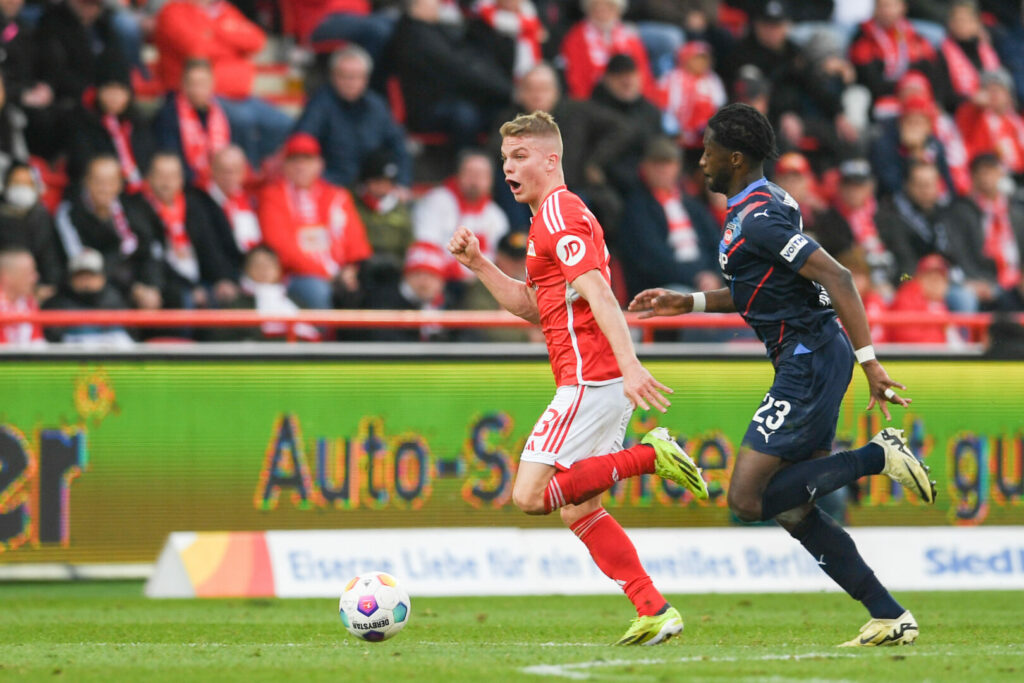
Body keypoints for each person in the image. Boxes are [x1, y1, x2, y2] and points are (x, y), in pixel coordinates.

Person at [628, 103, 935, 647]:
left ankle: (877, 456)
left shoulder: (759, 217)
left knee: (747, 499)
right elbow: (761, 289)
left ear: (735, 158)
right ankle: (889, 614)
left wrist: (870, 361)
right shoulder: (765, 203)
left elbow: (838, 277)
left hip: (808, 358)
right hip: (810, 354)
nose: (701, 161)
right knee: (792, 507)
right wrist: (689, 301)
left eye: (708, 151)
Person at [448, 110, 709, 646]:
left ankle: (649, 456)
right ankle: (653, 608)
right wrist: (478, 264)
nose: (508, 168)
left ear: (551, 160)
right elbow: (534, 306)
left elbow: (600, 292)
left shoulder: (559, 214)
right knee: (579, 508)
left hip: (590, 377)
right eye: (504, 158)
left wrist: (630, 365)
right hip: (597, 377)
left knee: (529, 495)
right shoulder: (546, 217)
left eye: (520, 156)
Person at [152, 0, 292, 165]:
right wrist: (232, 40)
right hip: (199, 94)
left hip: (241, 96)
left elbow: (257, 41)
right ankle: (246, 172)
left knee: (283, 123)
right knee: (242, 120)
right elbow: (197, 48)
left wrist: (213, 32)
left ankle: (260, 169)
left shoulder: (224, 10)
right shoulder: (173, 11)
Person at [259, 132, 372, 309]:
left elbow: (356, 241)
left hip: (341, 273)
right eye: (294, 160)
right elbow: (280, 247)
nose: (300, 166)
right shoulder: (273, 196)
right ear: (285, 165)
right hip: (296, 276)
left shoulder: (337, 196)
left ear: (319, 164)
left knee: (370, 287)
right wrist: (329, 275)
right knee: (318, 291)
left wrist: (351, 269)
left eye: (307, 160)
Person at [294, 45, 412, 190]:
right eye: (344, 76)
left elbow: (398, 144)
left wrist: (402, 182)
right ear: (333, 76)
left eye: (356, 76)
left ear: (366, 78)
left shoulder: (377, 106)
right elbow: (302, 144)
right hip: (331, 186)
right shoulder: (319, 105)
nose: (350, 82)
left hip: (372, 188)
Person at [53, 156, 163, 309]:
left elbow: (148, 251)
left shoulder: (132, 210)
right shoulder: (70, 213)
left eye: (111, 182)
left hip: (132, 283)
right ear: (86, 182)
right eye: (99, 182)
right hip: (89, 286)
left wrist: (151, 286)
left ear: (119, 185)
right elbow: (82, 261)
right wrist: (133, 288)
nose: (104, 188)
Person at [619, 137, 720, 299]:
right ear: (644, 167)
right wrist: (697, 278)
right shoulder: (637, 208)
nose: (662, 170)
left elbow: (718, 243)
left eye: (668, 163)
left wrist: (715, 276)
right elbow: (652, 259)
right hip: (663, 289)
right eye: (656, 164)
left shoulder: (692, 205)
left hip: (706, 282)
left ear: (678, 167)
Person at [141, 152, 240, 310]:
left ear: (181, 179)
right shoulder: (139, 209)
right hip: (167, 285)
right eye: (161, 175)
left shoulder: (195, 205)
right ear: (149, 178)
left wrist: (222, 278)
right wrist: (189, 287)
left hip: (201, 281)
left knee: (229, 297)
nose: (166, 182)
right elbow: (151, 259)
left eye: (172, 176)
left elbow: (210, 247)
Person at [413, 150, 509, 284]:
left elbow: (499, 260)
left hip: (480, 284)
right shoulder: (436, 201)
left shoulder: (496, 216)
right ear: (458, 174)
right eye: (470, 173)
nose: (475, 180)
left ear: (491, 181)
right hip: (439, 279)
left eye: (481, 175)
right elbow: (426, 246)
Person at [66, 50, 154, 190]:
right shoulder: (84, 121)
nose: (114, 96)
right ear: (98, 91)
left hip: (139, 190)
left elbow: (147, 159)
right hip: (102, 190)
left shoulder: (137, 121)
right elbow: (82, 163)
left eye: (120, 90)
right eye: (109, 89)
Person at [152, 58, 231, 187]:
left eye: (202, 83)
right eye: (193, 83)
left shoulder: (221, 113)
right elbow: (172, 158)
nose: (197, 89)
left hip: (217, 183)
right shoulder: (168, 115)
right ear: (183, 84)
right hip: (186, 184)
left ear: (212, 83)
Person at [560, 0, 658, 101]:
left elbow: (644, 75)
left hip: (631, 100)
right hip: (595, 100)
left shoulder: (630, 37)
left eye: (608, 6)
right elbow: (576, 80)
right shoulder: (575, 38)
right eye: (595, 7)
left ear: (618, 10)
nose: (602, 11)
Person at [41, 247, 134, 345]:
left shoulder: (116, 303)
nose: (85, 281)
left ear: (102, 278)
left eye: (90, 275)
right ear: (70, 280)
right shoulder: (58, 306)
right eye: (80, 275)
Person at [0, 162, 63, 299]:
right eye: (17, 183)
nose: (22, 189)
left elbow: (49, 256)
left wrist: (49, 285)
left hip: (38, 290)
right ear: (6, 185)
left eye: (27, 183)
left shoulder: (42, 216)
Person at [200, 144, 261, 255]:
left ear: (244, 172)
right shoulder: (201, 201)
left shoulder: (251, 199)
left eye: (235, 170)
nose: (229, 176)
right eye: (223, 170)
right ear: (212, 170)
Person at [0, 245, 42, 345]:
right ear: (7, 277)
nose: (35, 278)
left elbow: (37, 343)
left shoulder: (29, 303)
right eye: (29, 273)